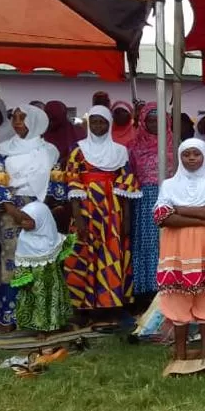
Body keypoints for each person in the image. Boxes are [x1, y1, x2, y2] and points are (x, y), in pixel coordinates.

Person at [0, 105, 66, 329]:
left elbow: (56, 184)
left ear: (37, 121)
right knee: (11, 260)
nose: (17, 122)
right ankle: (10, 316)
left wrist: (38, 213)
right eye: (15, 117)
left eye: (23, 118)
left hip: (41, 210)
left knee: (40, 261)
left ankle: (39, 318)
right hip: (10, 210)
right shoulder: (2, 149)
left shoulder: (50, 150)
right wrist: (15, 212)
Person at [154, 139, 205, 361]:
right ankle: (180, 354)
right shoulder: (169, 185)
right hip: (176, 246)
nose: (192, 158)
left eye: (196, 154)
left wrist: (180, 209)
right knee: (177, 297)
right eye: (187, 154)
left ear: (204, 156)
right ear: (180, 158)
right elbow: (162, 217)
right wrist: (202, 219)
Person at [64, 106, 140, 316]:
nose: (98, 126)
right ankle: (83, 307)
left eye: (102, 122)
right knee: (83, 253)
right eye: (95, 122)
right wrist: (77, 217)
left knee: (111, 254)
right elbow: (72, 182)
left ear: (109, 124)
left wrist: (126, 220)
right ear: (89, 124)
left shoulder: (120, 151)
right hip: (85, 210)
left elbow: (126, 185)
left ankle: (110, 304)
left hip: (112, 211)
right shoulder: (78, 150)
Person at [128, 102, 174, 304]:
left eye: (159, 120)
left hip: (170, 199)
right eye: (151, 120)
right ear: (143, 122)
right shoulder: (134, 146)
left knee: (166, 243)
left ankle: (167, 287)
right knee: (146, 246)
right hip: (144, 201)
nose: (155, 124)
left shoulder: (175, 144)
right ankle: (146, 292)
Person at [8, 200, 74, 335]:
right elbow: (21, 261)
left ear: (42, 220)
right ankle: (41, 329)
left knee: (56, 299)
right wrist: (24, 279)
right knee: (40, 302)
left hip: (54, 282)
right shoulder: (24, 239)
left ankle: (58, 323)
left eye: (27, 220)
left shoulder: (52, 237)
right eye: (22, 220)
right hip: (36, 284)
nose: (23, 223)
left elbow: (59, 258)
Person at [43, 100, 85, 166]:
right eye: (49, 119)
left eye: (54, 119)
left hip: (72, 172)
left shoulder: (79, 133)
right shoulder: (39, 134)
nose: (51, 123)